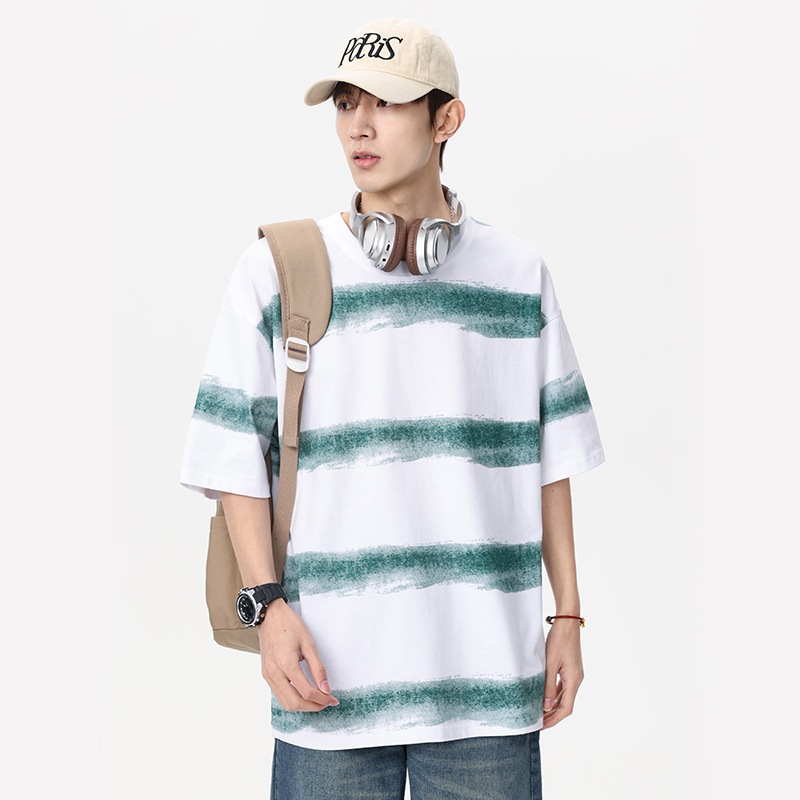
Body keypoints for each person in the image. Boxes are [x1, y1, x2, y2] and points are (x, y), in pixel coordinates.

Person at [180, 17, 605, 800]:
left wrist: (568, 620)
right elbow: (231, 455)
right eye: (346, 103)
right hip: (326, 682)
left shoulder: (518, 275)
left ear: (447, 119)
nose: (359, 126)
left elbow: (551, 463)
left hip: (487, 686)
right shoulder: (277, 268)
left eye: (387, 102)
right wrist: (268, 609)